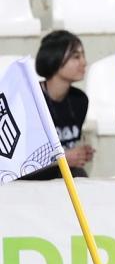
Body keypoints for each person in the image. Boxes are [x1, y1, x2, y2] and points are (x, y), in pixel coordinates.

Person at [21, 30, 95, 180]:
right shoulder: (28, 98)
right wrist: (61, 158)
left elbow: (66, 147)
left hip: (60, 175)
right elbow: (16, 160)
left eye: (83, 56)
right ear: (54, 58)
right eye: (76, 57)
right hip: (27, 178)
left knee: (80, 177)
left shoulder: (80, 100)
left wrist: (79, 153)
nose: (84, 62)